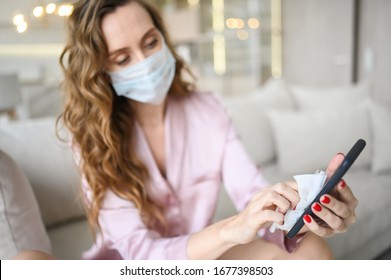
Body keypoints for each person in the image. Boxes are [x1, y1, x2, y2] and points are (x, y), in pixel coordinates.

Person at [15, 0, 358, 260]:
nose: (145, 62)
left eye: (150, 43)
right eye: (122, 59)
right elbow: (139, 251)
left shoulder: (207, 111)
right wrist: (232, 229)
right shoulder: (92, 138)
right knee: (26, 263)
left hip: (199, 260)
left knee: (310, 247)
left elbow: (253, 193)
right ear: (100, 73)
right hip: (131, 269)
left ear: (164, 40)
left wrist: (302, 202)